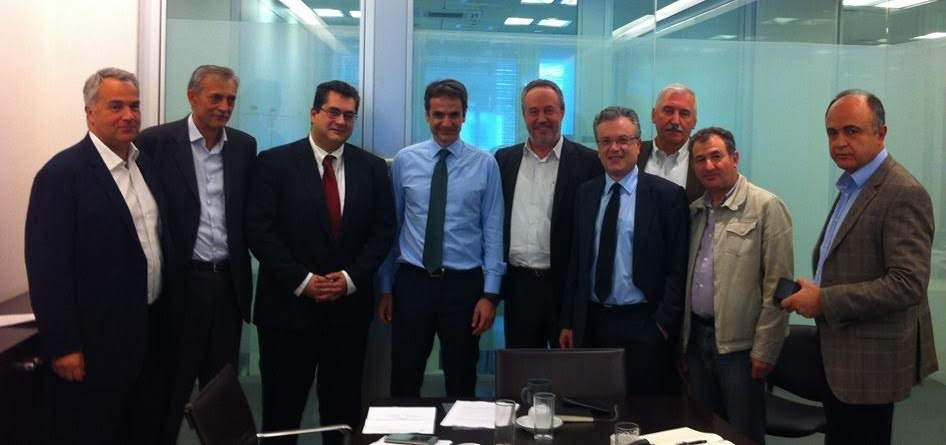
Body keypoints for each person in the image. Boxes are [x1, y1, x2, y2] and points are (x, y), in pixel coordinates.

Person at [781, 90, 937, 445]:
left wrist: (824, 300)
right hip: (841, 354)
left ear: (881, 133)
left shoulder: (902, 192)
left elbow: (907, 284)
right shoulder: (853, 184)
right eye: (832, 132)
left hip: (870, 364)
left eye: (852, 131)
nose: (839, 142)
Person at [25, 67, 170, 445]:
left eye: (135, 106)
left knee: (140, 430)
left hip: (147, 334)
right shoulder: (62, 175)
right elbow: (47, 269)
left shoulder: (145, 166)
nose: (129, 115)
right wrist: (63, 346)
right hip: (95, 345)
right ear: (90, 112)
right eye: (115, 106)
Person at [246, 80, 395, 445]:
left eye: (349, 115)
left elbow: (383, 232)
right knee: (282, 413)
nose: (341, 121)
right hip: (287, 311)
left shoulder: (372, 168)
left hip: (347, 313)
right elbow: (259, 231)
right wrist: (303, 281)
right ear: (314, 113)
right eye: (333, 112)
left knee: (342, 412)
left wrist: (349, 278)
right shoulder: (273, 163)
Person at [135, 64, 257, 444]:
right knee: (170, 391)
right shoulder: (155, 142)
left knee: (222, 394)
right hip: (181, 286)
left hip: (227, 287)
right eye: (215, 97)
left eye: (231, 99)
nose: (224, 107)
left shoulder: (243, 146)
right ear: (192, 97)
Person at [378, 79, 505, 398]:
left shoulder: (485, 164)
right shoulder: (405, 161)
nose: (446, 122)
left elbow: (493, 230)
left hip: (464, 286)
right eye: (438, 114)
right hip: (413, 283)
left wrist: (490, 295)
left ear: (464, 115)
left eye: (454, 115)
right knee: (404, 376)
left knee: (461, 380)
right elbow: (393, 227)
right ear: (426, 115)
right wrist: (386, 287)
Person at [559, 106, 688, 396]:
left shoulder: (667, 196)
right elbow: (577, 262)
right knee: (593, 404)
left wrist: (663, 324)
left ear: (638, 145)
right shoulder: (586, 193)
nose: (614, 148)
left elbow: (678, 267)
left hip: (644, 324)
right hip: (592, 323)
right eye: (605, 141)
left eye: (622, 140)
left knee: (644, 410)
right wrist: (569, 321)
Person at [680, 127, 793, 443]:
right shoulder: (696, 211)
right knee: (703, 431)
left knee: (743, 433)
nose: (708, 166)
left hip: (741, 350)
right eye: (700, 159)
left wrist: (766, 348)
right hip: (697, 340)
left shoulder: (766, 207)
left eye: (716, 156)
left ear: (735, 157)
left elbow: (780, 286)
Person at [494, 79, 601, 348]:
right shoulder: (503, 160)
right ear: (524, 115)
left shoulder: (589, 163)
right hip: (518, 287)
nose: (542, 119)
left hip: (565, 288)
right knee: (521, 366)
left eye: (549, 110)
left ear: (562, 112)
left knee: (568, 367)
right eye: (534, 111)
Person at [636, 83, 704, 203]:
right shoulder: (634, 153)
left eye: (684, 113)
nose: (675, 121)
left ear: (694, 122)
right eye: (668, 111)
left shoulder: (705, 163)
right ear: (653, 115)